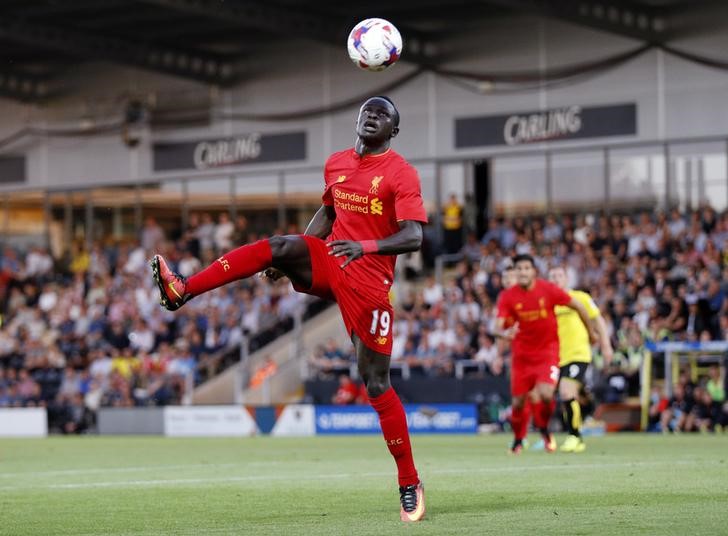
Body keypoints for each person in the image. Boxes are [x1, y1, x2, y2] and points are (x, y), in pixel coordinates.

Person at [151, 96, 426, 522]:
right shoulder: (336, 164)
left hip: (370, 280)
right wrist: (290, 260)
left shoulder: (401, 173)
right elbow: (329, 211)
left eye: (383, 114)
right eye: (368, 111)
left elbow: (413, 237)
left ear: (394, 130)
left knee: (375, 383)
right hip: (333, 258)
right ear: (357, 120)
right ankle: (183, 289)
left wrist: (366, 246)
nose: (373, 116)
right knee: (277, 246)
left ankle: (408, 480)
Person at [495, 254, 597, 455]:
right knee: (518, 402)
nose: (523, 272)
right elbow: (497, 327)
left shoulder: (548, 290)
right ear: (515, 272)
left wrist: (591, 332)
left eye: (526, 268)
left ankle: (555, 432)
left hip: (548, 353)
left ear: (533, 271)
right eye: (519, 269)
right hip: (522, 357)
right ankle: (519, 438)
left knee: (547, 394)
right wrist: (504, 334)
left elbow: (578, 306)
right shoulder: (508, 297)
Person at [548, 266, 613, 453]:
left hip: (577, 353)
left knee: (567, 391)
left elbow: (598, 319)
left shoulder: (580, 297)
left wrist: (606, 345)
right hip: (554, 357)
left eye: (559, 275)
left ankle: (575, 437)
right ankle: (551, 435)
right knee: (552, 396)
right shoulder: (547, 303)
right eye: (552, 276)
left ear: (567, 278)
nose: (556, 279)